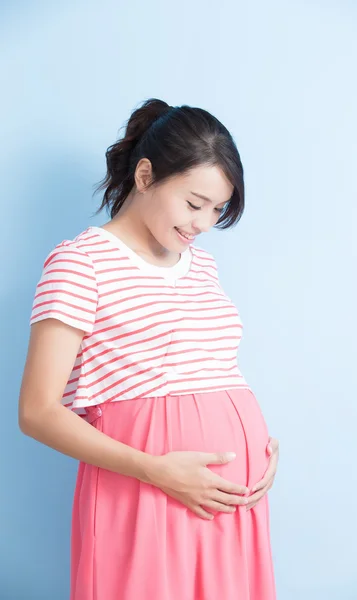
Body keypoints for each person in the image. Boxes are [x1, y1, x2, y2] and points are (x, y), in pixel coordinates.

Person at [18, 97, 279, 600]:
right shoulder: (80, 264)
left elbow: (214, 375)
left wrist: (259, 447)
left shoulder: (201, 266)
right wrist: (157, 470)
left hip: (231, 503)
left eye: (218, 209)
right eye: (193, 202)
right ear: (144, 176)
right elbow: (36, 411)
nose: (203, 223)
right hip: (145, 490)